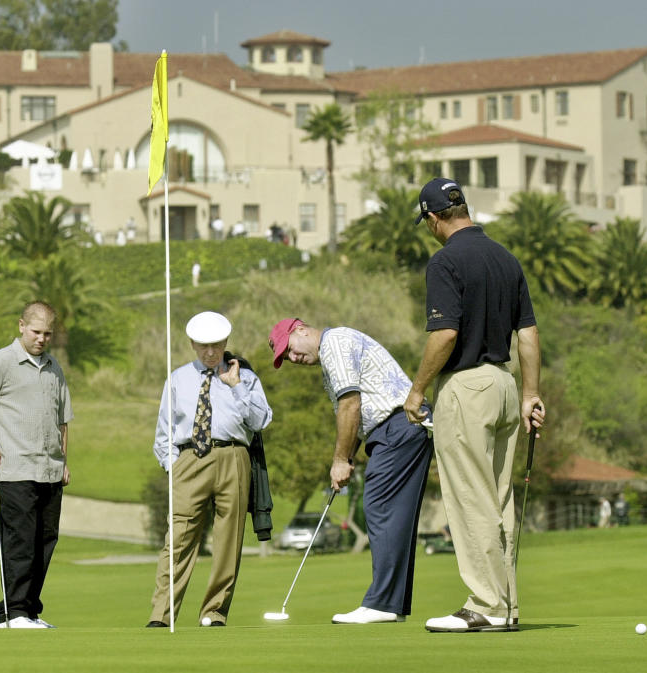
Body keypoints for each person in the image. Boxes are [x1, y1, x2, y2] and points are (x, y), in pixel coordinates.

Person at [402, 177, 545, 633]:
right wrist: (529, 394)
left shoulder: (445, 261)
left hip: (466, 388)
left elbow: (444, 334)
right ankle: (506, 605)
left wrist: (418, 388)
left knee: (470, 500)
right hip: (504, 385)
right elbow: (528, 334)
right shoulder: (505, 257)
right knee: (498, 502)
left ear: (432, 217)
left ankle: (485, 604)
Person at [268, 318, 433, 624]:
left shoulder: (335, 345)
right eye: (286, 358)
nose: (293, 359)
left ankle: (382, 604)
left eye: (290, 350)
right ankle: (390, 604)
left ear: (301, 329)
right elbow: (355, 414)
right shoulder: (332, 356)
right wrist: (348, 455)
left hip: (398, 427)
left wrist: (341, 460)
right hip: (397, 430)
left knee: (379, 508)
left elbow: (350, 406)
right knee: (390, 513)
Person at [146, 311, 272, 628]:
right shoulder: (177, 378)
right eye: (204, 346)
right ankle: (162, 614)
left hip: (234, 457)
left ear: (225, 343)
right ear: (192, 344)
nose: (211, 352)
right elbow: (164, 435)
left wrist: (237, 387)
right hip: (189, 459)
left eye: (216, 345)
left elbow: (261, 421)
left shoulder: (245, 376)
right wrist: (173, 466)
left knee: (229, 540)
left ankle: (214, 612)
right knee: (178, 539)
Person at [0, 301, 72, 629]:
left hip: (50, 470)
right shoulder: (1, 362)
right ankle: (13, 612)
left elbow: (64, 420)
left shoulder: (53, 367)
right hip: (15, 468)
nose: (41, 339)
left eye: (48, 333)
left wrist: (64, 461)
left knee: (44, 541)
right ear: (21, 326)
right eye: (36, 332)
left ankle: (30, 610)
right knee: (21, 540)